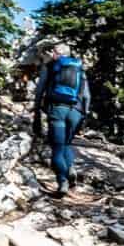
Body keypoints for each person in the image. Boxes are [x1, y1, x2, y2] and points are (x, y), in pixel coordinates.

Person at [32, 41, 90, 196]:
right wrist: (84, 114)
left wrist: (36, 111)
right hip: (76, 112)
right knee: (67, 143)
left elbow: (40, 90)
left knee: (57, 148)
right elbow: (86, 95)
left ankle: (62, 182)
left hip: (57, 109)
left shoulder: (51, 66)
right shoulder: (79, 67)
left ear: (56, 53)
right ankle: (70, 169)